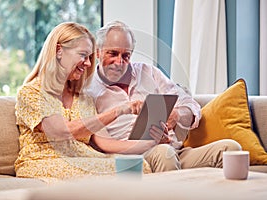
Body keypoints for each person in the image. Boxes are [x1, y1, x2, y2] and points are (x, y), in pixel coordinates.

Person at [14, 22, 173, 180]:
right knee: (113, 174)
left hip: (83, 158)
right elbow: (62, 131)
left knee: (139, 166)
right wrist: (118, 110)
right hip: (44, 161)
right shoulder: (31, 93)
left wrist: (150, 143)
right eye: (83, 55)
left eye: (90, 57)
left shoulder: (82, 98)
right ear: (59, 51)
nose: (89, 63)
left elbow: (104, 143)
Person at [85, 20, 242, 172]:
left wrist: (177, 116)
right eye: (113, 53)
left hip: (174, 150)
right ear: (98, 52)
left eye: (126, 56)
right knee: (163, 154)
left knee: (231, 149)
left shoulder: (149, 73)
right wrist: (148, 144)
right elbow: (98, 142)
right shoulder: (88, 90)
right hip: (136, 158)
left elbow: (190, 105)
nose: (119, 62)